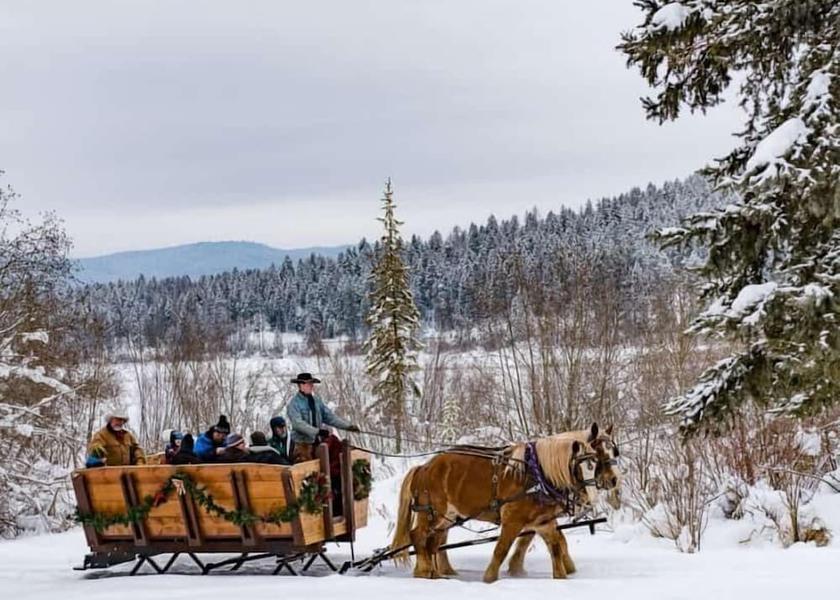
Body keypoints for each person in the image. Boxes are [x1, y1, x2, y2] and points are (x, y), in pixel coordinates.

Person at [286, 372, 359, 463]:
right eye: (309, 383)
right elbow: (298, 424)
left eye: (312, 383)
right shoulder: (294, 404)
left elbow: (330, 417)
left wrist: (348, 426)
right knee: (306, 471)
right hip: (302, 444)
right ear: (301, 385)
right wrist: (317, 431)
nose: (312, 386)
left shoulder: (316, 401)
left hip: (317, 442)